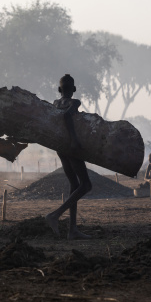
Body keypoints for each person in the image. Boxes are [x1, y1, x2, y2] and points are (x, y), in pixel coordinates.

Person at [45, 74, 92, 240]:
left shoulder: (55, 103)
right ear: (74, 89)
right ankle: (55, 215)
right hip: (70, 146)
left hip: (60, 147)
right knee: (86, 185)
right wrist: (74, 139)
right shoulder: (74, 102)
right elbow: (67, 116)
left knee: (74, 184)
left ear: (59, 89)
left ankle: (72, 230)